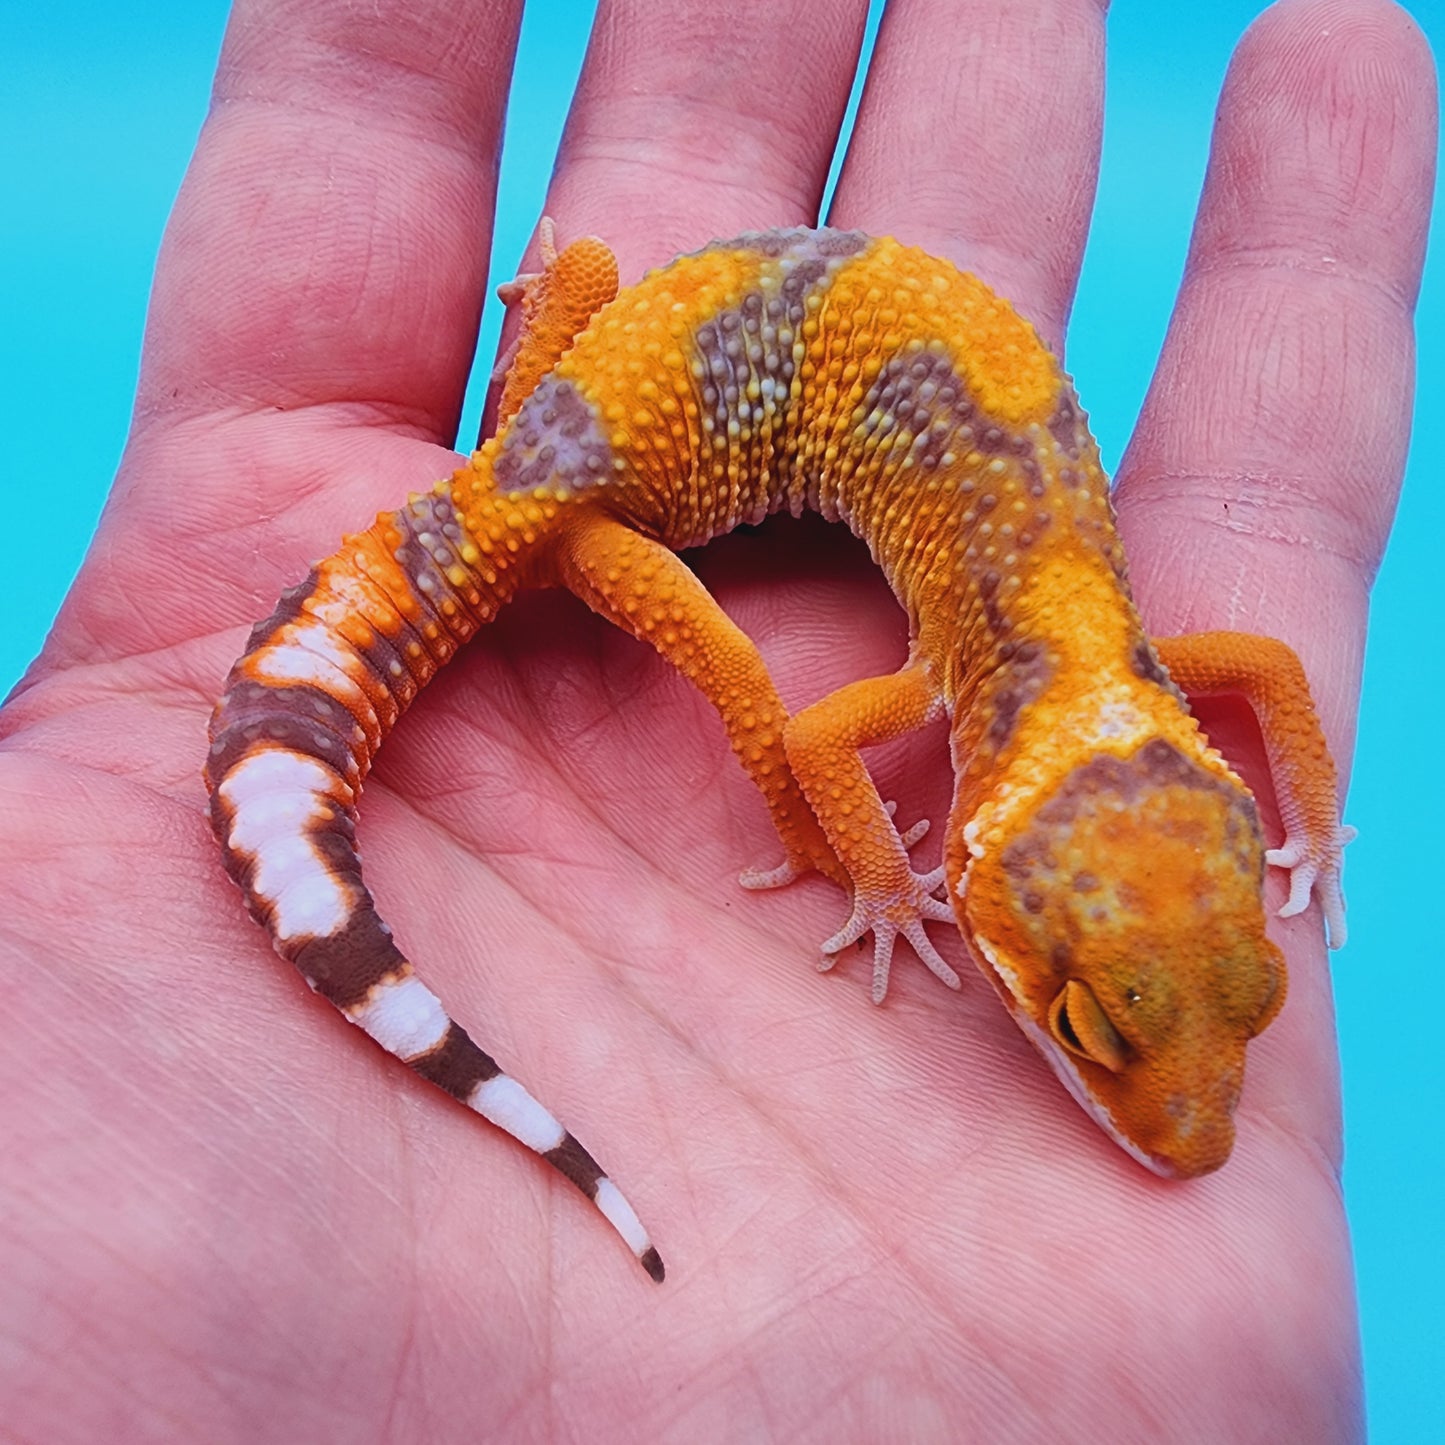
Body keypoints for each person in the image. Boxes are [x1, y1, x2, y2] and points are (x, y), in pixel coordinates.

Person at [0, 0, 1432, 1437]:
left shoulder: (1088, 653)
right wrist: (872, 876)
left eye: (1239, 997)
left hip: (594, 393)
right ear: (986, 839)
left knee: (600, 312)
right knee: (751, 684)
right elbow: (818, 738)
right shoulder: (1032, 665)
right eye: (1085, 1018)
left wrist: (1308, 829)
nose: (1196, 1113)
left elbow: (1270, 671)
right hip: (587, 517)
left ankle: (550, 338)